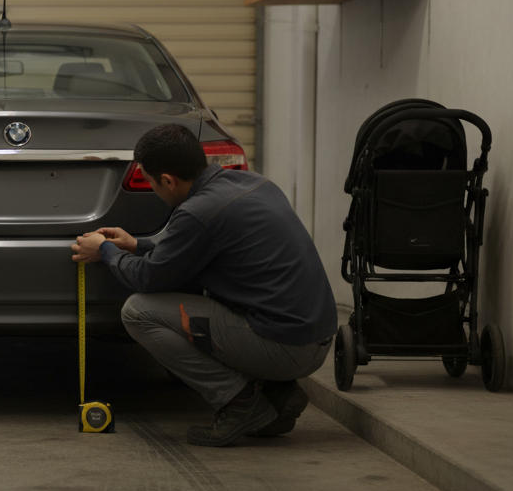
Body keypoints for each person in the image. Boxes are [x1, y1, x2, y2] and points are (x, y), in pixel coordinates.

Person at [71, 124, 337, 447]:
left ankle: (240, 402)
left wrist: (105, 250)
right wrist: (136, 245)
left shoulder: (198, 212)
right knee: (202, 295)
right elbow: (191, 252)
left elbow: (146, 278)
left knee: (138, 312)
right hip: (313, 337)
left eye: (151, 182)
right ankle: (275, 392)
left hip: (288, 347)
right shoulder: (252, 183)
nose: (153, 189)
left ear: (168, 180)